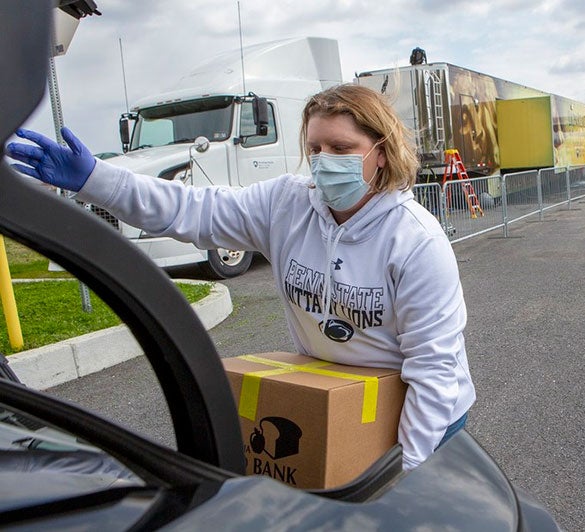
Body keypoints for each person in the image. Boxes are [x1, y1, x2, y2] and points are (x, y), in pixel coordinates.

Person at [7, 83, 475, 471]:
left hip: (422, 421)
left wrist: (406, 471)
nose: (323, 160)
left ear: (381, 152)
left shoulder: (415, 241)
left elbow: (433, 371)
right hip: (340, 404)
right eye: (314, 148)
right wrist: (95, 180)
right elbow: (190, 210)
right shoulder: (287, 204)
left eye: (341, 148)